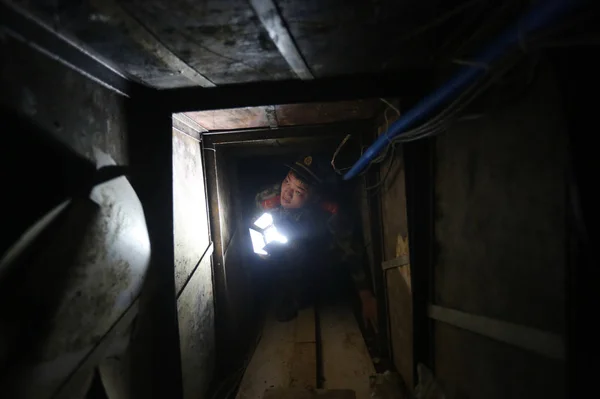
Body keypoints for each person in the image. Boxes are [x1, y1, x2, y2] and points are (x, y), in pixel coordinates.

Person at [253, 155, 378, 331]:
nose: (287, 192)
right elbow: (254, 224)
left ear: (314, 198)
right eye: (287, 181)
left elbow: (350, 250)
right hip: (282, 249)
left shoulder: (330, 212)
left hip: (318, 253)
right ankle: (285, 291)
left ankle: (306, 291)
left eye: (299, 191)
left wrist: (365, 296)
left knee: (300, 253)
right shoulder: (268, 198)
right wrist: (260, 250)